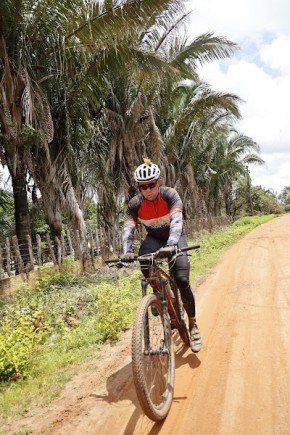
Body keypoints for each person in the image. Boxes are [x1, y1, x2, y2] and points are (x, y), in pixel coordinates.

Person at [122, 159, 202, 353]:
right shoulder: (135, 204)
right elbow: (128, 229)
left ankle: (193, 324)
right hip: (154, 239)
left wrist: (173, 243)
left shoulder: (170, 195)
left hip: (176, 237)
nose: (148, 189)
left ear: (159, 182)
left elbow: (176, 221)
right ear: (139, 187)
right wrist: (126, 251)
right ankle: (159, 294)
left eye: (151, 184)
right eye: (143, 186)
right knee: (143, 259)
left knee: (182, 279)